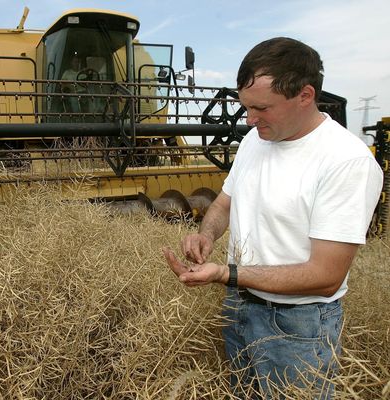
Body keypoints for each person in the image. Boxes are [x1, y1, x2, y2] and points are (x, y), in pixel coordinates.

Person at [162, 37, 383, 398]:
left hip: (298, 326)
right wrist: (207, 235)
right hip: (240, 308)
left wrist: (225, 273)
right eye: (245, 106)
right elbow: (224, 204)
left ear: (305, 95)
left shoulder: (346, 161)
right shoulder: (255, 141)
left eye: (261, 107)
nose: (249, 118)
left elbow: (326, 276)